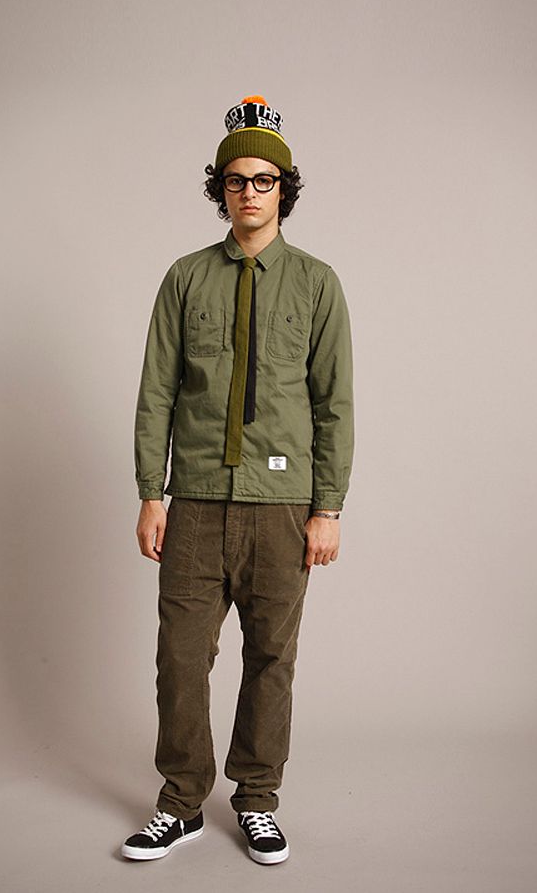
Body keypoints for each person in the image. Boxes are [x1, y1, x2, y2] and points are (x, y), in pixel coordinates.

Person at [121, 95, 355, 866]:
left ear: (285, 188)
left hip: (283, 506)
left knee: (271, 660)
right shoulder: (185, 278)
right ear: (218, 188)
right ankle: (180, 803)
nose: (249, 192)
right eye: (235, 180)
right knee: (180, 660)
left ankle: (256, 800)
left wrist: (328, 508)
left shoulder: (317, 284)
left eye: (263, 179)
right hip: (193, 503)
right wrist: (151, 493)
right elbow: (156, 392)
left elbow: (334, 403)